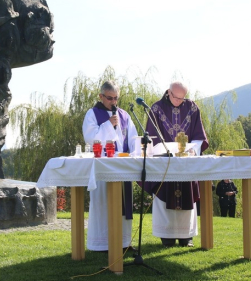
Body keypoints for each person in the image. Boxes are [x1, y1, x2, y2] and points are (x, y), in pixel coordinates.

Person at [142, 81, 208, 247]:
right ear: (168, 92)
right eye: (176, 97)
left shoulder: (192, 108)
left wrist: (194, 149)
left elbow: (199, 135)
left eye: (182, 98)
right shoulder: (156, 109)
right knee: (164, 196)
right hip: (164, 163)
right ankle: (167, 235)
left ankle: (186, 236)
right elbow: (151, 137)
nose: (179, 101)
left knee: (187, 197)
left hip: (186, 163)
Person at [82, 80, 138, 251]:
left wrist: (135, 154)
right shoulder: (92, 114)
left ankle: (123, 243)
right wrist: (108, 125)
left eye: (116, 98)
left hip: (122, 166)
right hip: (103, 167)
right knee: (103, 205)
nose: (113, 102)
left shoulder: (124, 115)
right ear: (101, 96)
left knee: (122, 204)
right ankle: (102, 244)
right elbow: (90, 138)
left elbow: (133, 138)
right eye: (109, 98)